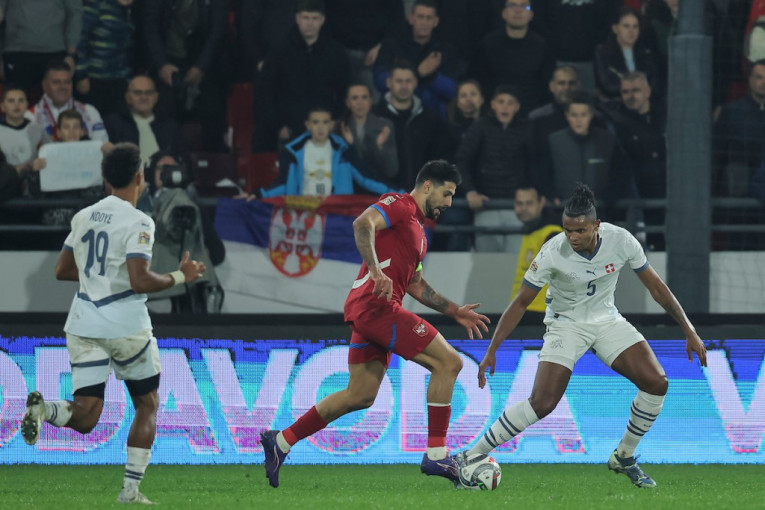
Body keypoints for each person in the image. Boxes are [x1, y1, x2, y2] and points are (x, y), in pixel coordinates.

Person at [260, 160, 491, 488]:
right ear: (427, 186)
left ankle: (281, 441)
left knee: (360, 395)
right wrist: (375, 270)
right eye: (447, 193)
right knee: (449, 363)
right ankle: (437, 455)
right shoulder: (400, 205)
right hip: (377, 307)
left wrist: (454, 310)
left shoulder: (419, 233)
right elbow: (362, 223)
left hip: (370, 312)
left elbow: (416, 285)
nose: (450, 203)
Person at [467, 183, 707, 488]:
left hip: (606, 320)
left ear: (596, 225)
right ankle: (473, 454)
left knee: (657, 382)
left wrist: (689, 330)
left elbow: (657, 288)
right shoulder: (552, 251)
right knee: (543, 403)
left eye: (580, 230)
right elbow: (521, 303)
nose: (573, 237)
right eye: (568, 230)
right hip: (566, 324)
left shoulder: (621, 240)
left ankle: (624, 456)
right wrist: (492, 349)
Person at [20, 142, 206, 504]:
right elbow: (140, 280)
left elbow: (62, 270)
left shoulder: (84, 216)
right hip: (125, 326)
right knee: (147, 405)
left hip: (84, 323)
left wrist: (99, 276)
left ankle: (44, 410)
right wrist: (181, 276)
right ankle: (130, 491)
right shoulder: (139, 221)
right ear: (139, 178)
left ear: (106, 180)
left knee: (86, 417)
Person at [255, 0, 351, 150]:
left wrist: (336, 119)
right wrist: (278, 126)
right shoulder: (279, 51)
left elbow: (345, 89)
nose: (310, 23)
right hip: (289, 132)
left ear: (322, 20)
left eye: (314, 18)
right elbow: (265, 92)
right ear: (297, 19)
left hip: (325, 131)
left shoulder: (336, 52)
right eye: (305, 17)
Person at [454, 85, 531, 253]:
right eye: (501, 102)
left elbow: (535, 164)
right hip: (486, 205)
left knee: (516, 263)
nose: (505, 107)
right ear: (493, 104)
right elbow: (462, 161)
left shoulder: (526, 130)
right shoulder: (480, 126)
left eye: (510, 103)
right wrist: (470, 192)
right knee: (487, 263)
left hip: (517, 208)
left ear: (517, 107)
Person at [261, 106, 398, 197]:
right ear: (308, 125)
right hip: (305, 213)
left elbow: (366, 179)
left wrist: (399, 195)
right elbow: (284, 184)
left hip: (334, 215)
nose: (320, 127)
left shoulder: (344, 151)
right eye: (316, 122)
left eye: (325, 122)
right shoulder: (293, 152)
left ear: (331, 125)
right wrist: (258, 195)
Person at [374, 0, 464, 118]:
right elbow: (380, 81)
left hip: (433, 115)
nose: (424, 22)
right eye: (420, 17)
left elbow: (453, 91)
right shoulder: (392, 44)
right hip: (394, 112)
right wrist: (418, 73)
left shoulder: (445, 49)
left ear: (436, 22)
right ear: (411, 19)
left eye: (429, 18)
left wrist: (432, 76)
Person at [373, 60, 451, 191]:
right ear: (389, 82)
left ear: (415, 82)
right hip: (383, 194)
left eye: (408, 81)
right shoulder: (375, 116)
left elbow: (441, 156)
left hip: (423, 194)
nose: (404, 86)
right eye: (399, 81)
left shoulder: (430, 117)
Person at [473, 0, 555, 117]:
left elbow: (547, 85)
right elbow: (480, 80)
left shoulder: (541, 45)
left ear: (531, 15)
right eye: (512, 6)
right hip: (495, 113)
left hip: (533, 114)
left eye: (524, 7)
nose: (518, 10)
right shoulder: (489, 44)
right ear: (504, 13)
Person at [1, 0, 83, 98]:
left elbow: (75, 13)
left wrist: (71, 55)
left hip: (56, 53)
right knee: (15, 102)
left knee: (59, 102)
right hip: (17, 53)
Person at [105, 75, 183, 167]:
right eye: (138, 93)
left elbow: (181, 159)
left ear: (156, 97)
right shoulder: (113, 124)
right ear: (128, 97)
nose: (144, 97)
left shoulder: (170, 126)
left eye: (149, 92)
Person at [75, 0, 136, 117]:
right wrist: (81, 75)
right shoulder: (97, 4)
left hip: (121, 80)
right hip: (93, 80)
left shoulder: (131, 10)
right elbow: (80, 38)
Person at [27, 61, 110, 144]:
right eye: (56, 82)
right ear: (44, 85)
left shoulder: (90, 111)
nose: (63, 87)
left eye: (67, 82)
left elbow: (102, 146)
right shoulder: (30, 116)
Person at [511, 184, 562, 315]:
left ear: (541, 202)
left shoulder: (552, 234)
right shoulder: (530, 230)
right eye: (519, 203)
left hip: (540, 311)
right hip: (524, 309)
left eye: (529, 203)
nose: (523, 208)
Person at [593, 7, 662, 101]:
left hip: (644, 103)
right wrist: (637, 90)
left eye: (635, 27)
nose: (631, 31)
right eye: (626, 26)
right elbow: (607, 85)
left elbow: (655, 84)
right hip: (615, 103)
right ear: (615, 28)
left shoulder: (646, 54)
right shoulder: (602, 52)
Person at [339, 83, 399, 185]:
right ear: (347, 103)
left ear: (371, 100)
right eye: (355, 98)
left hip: (379, 187)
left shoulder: (384, 126)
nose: (360, 102)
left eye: (364, 97)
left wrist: (380, 147)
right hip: (350, 188)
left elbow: (392, 170)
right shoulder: (340, 127)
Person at [0, 85, 46, 174]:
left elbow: (50, 156)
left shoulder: (38, 130)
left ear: (26, 105)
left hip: (34, 179)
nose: (16, 105)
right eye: (11, 101)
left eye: (21, 100)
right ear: (2, 106)